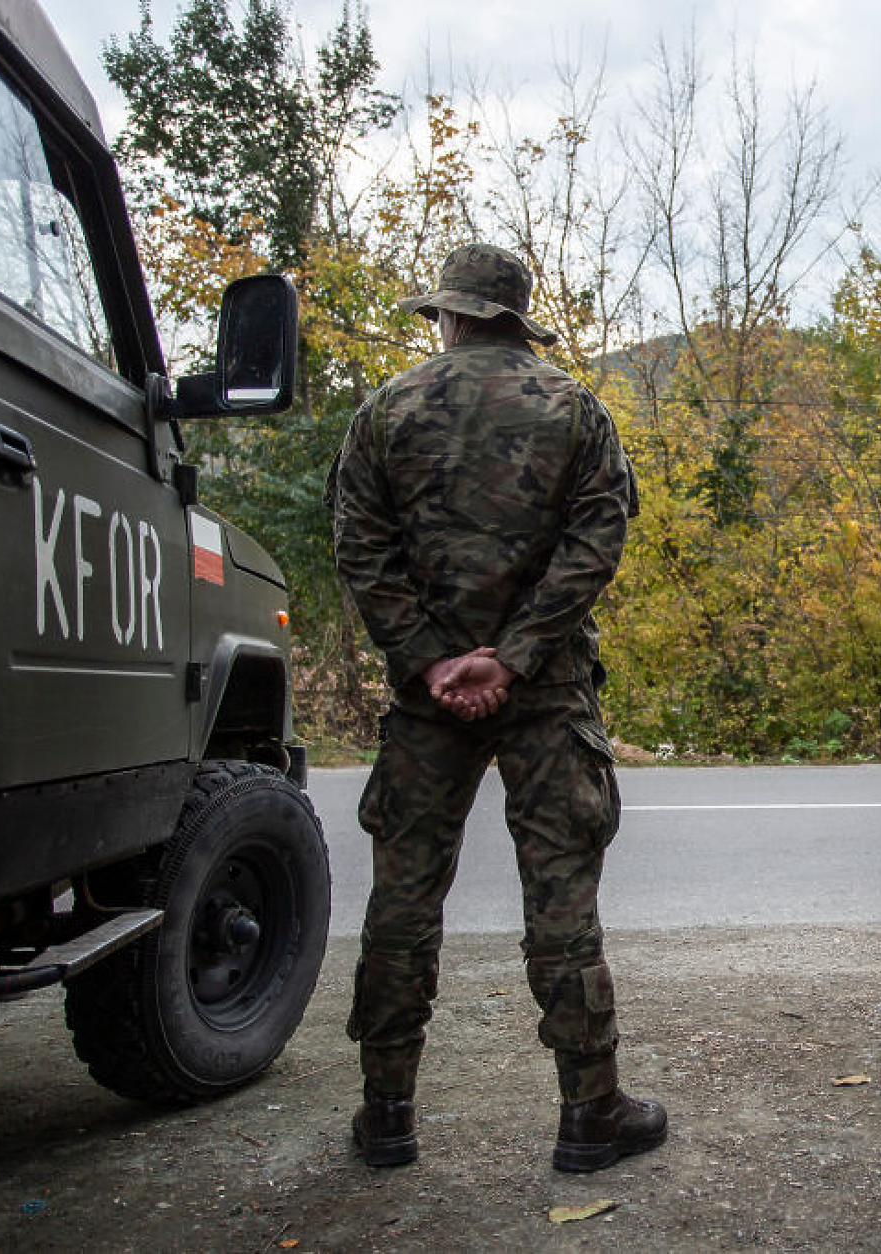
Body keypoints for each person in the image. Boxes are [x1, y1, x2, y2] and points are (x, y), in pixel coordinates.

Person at [328, 242, 665, 1172]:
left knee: (403, 900)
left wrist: (433, 659)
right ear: (516, 318)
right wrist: (513, 658)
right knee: (561, 898)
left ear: (449, 316)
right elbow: (597, 543)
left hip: (426, 699)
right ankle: (589, 1115)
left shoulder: (386, 410)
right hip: (546, 690)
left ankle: (387, 1117)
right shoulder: (573, 409)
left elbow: (360, 548)